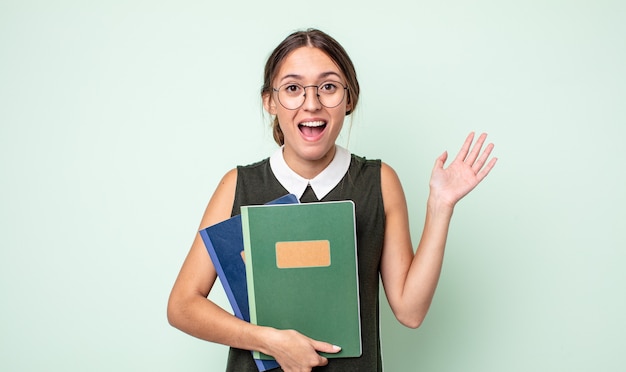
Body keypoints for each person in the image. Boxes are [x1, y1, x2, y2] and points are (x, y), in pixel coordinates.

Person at [167, 28, 497, 372]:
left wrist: (440, 207)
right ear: (270, 101)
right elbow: (182, 306)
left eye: (328, 87)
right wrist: (270, 341)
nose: (312, 103)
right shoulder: (238, 186)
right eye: (293, 88)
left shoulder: (379, 182)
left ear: (349, 98)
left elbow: (410, 312)